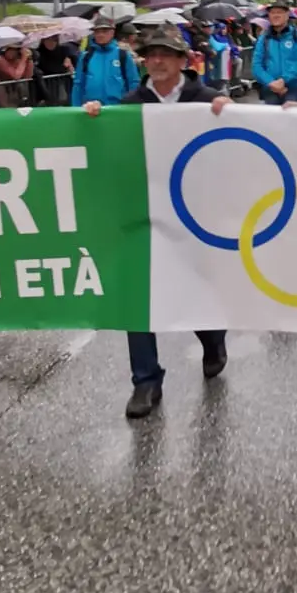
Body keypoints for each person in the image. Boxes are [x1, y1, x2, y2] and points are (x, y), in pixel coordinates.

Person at [82, 26, 231, 418]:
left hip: (194, 214)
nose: (158, 60)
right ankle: (145, 381)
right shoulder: (131, 103)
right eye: (152, 54)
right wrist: (93, 121)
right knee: (137, 296)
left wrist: (228, 110)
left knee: (197, 288)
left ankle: (213, 339)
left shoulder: (206, 100)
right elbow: (110, 150)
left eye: (166, 53)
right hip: (143, 213)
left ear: (184, 60)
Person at [71, 13, 140, 107]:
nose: (100, 34)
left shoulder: (123, 55)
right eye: (97, 31)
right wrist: (76, 108)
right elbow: (78, 84)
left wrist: (132, 107)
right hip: (91, 109)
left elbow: (133, 82)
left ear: (112, 33)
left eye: (104, 31)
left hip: (118, 108)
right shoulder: (86, 57)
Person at [252, 0, 297, 105]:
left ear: (287, 15)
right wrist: (270, 82)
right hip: (270, 88)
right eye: (272, 12)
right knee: (271, 120)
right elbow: (257, 65)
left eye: (279, 12)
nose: (276, 15)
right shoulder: (264, 38)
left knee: (292, 119)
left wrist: (283, 80)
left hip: (294, 88)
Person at [0, 41, 34, 107]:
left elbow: (28, 76)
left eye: (15, 50)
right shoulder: (0, 60)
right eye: (10, 49)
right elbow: (16, 76)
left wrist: (29, 59)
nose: (12, 52)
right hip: (1, 89)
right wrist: (24, 59)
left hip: (14, 89)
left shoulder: (18, 60)